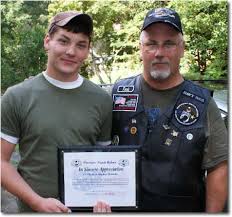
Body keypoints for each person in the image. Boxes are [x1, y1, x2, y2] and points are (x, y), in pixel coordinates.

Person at [111, 8, 228, 212]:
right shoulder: (118, 94)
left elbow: (218, 167)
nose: (159, 53)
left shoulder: (203, 103)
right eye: (151, 44)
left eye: (169, 44)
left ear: (182, 49)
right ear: (141, 49)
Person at [1, 11, 112, 213]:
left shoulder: (102, 99)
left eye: (81, 45)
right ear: (47, 41)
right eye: (63, 41)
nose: (71, 51)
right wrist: (36, 201)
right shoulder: (17, 96)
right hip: (32, 211)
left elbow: (103, 162)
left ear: (87, 51)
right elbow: (1, 162)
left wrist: (105, 200)